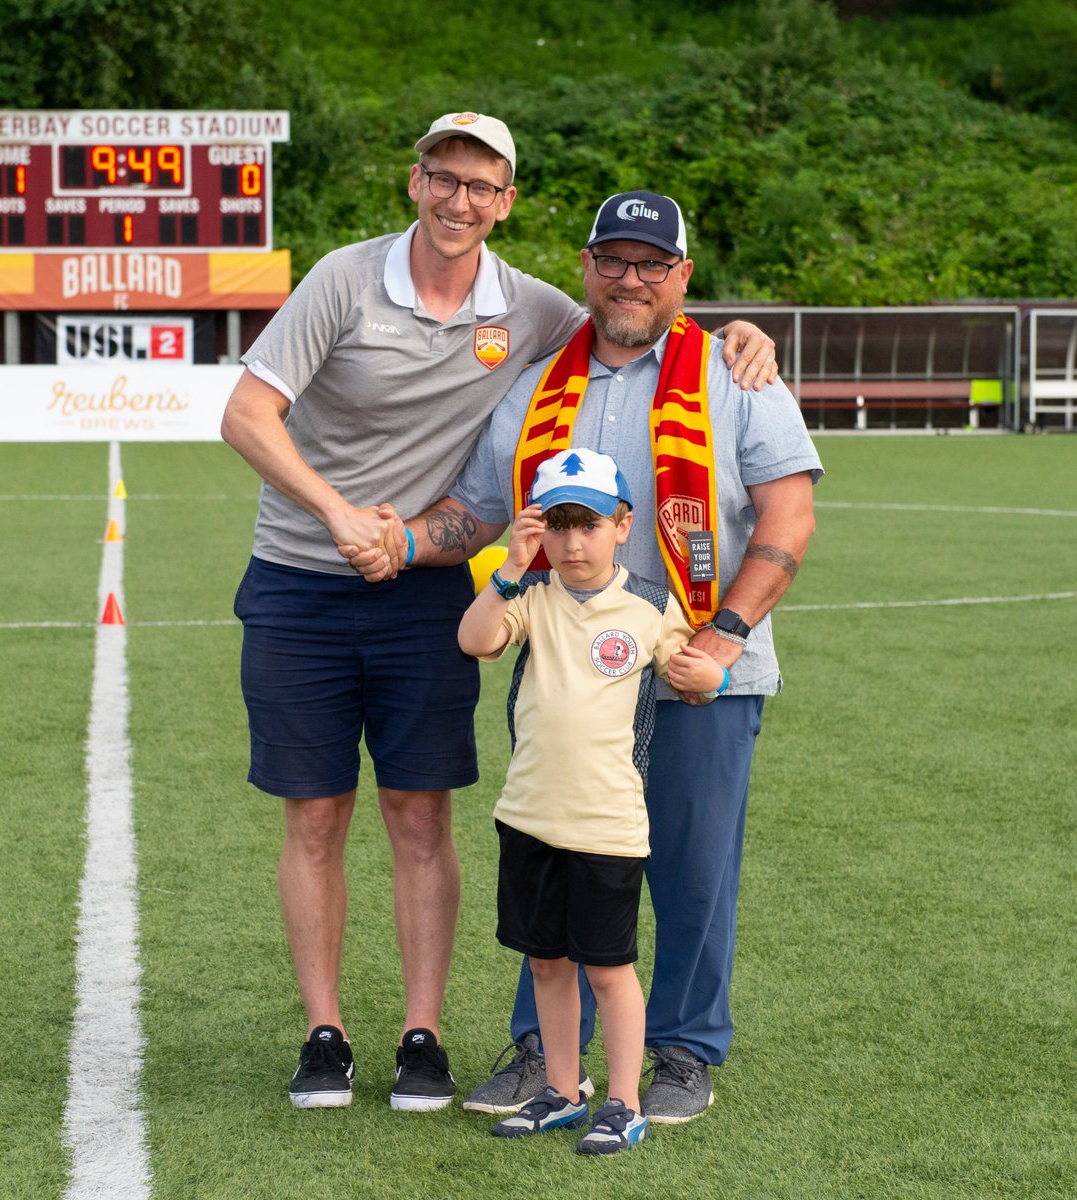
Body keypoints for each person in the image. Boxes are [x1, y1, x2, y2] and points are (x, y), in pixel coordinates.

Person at [221, 106, 779, 1113]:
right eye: (445, 177)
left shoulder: (638, 342)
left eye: (482, 185)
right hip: (437, 617)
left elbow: (773, 491)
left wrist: (746, 334)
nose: (630, 279)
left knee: (662, 863)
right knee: (505, 836)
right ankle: (450, 1045)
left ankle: (634, 1050)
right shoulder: (419, 308)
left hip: (663, 644)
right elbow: (464, 504)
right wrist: (374, 530)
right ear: (417, 180)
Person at [353, 189, 822, 1123]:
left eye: (652, 263)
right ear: (587, 267)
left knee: (692, 873)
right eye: (614, 259)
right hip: (569, 675)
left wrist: (724, 636)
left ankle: (683, 1051)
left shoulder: (737, 374)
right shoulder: (537, 385)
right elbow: (479, 513)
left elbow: (789, 516)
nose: (631, 279)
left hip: (697, 671)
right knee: (558, 855)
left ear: (683, 274)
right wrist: (401, 542)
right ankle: (545, 1055)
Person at [458, 446, 725, 1155]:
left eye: (589, 525)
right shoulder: (529, 597)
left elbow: (693, 679)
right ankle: (561, 1092)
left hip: (607, 823)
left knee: (608, 969)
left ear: (622, 525)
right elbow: (475, 639)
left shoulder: (650, 605)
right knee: (547, 962)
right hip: (528, 816)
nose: (573, 543)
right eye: (558, 526)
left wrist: (712, 677)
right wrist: (511, 567)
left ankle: (624, 1103)